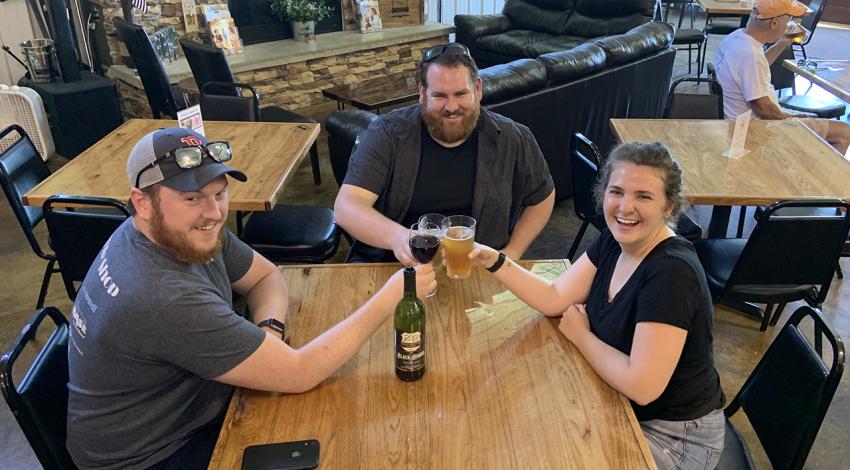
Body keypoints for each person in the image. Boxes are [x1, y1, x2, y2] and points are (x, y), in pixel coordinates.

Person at [66, 127, 435, 469]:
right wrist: (394, 296)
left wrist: (268, 333)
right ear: (142, 202)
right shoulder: (161, 296)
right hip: (151, 455)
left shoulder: (180, 231)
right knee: (344, 437)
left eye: (219, 193)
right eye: (192, 197)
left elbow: (266, 276)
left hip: (184, 410)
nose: (213, 213)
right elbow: (300, 373)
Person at [469, 142, 725, 469]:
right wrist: (496, 260)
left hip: (673, 435)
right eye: (616, 191)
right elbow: (553, 298)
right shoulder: (615, 240)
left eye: (643, 196)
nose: (625, 207)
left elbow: (642, 386)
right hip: (619, 402)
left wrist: (582, 336)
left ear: (668, 207)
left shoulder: (671, 273)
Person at [334, 43, 556, 264]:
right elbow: (347, 206)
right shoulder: (388, 133)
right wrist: (398, 237)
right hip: (393, 267)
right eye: (440, 96)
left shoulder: (513, 137)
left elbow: (542, 197)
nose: (451, 107)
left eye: (461, 94)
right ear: (422, 93)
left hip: (477, 269)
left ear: (478, 89)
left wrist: (512, 253)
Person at [714, 0, 850, 154]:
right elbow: (763, 109)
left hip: (737, 120)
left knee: (812, 118)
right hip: (754, 128)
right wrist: (790, 118)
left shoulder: (738, 38)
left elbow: (756, 67)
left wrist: (782, 43)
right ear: (774, 22)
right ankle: (815, 175)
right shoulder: (750, 55)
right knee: (844, 132)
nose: (790, 24)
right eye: (789, 19)